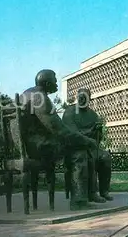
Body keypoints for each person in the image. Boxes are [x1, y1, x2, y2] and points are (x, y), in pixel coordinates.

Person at [20, 69, 98, 209]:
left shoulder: (25, 94)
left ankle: (89, 193)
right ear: (47, 82)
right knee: (78, 151)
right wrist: (87, 141)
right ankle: (78, 201)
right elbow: (61, 131)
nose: (57, 83)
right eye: (55, 80)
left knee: (77, 146)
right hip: (40, 149)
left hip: (28, 147)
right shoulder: (40, 98)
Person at [62, 88, 113, 207]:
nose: (82, 99)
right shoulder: (69, 112)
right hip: (74, 149)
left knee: (105, 156)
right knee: (87, 157)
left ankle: (104, 191)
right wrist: (90, 132)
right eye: (80, 96)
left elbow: (97, 140)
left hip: (90, 147)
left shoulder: (93, 115)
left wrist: (98, 131)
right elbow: (73, 134)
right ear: (77, 97)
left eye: (85, 97)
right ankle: (91, 193)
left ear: (89, 98)